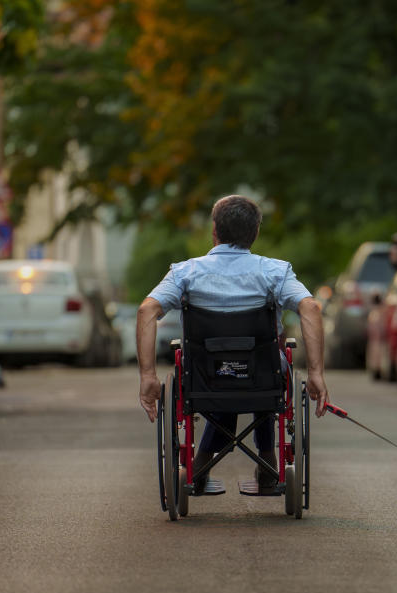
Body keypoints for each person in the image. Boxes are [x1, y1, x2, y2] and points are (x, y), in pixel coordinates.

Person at [137, 195, 329, 493]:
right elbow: (311, 308)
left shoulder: (185, 272)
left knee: (223, 370)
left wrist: (148, 377)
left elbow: (146, 310)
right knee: (254, 369)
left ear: (214, 230)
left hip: (204, 377)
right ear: (255, 233)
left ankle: (199, 465)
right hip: (262, 377)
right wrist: (316, 373)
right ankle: (268, 463)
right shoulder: (274, 272)